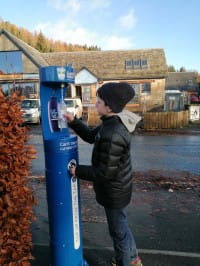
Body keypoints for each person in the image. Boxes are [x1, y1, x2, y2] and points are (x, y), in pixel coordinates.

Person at [64, 82, 143, 266]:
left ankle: (126, 262)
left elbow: (104, 173)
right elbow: (92, 136)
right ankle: (133, 259)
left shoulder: (113, 132)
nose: (94, 104)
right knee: (122, 227)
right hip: (118, 188)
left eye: (98, 101)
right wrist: (73, 122)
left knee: (118, 233)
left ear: (109, 106)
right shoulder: (110, 123)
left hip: (114, 192)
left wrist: (78, 170)